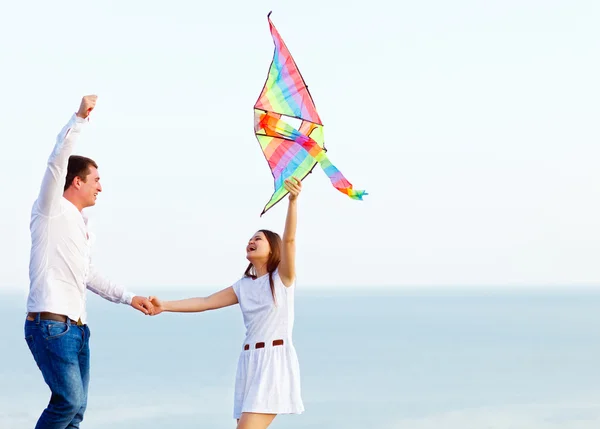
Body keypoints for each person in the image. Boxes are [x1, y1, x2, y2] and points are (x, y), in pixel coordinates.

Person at [24, 95, 154, 429]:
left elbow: (89, 274)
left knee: (76, 412)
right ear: (76, 181)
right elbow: (57, 160)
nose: (101, 187)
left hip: (77, 329)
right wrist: (79, 118)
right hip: (50, 325)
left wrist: (129, 298)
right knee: (68, 401)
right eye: (96, 179)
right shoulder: (50, 208)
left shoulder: (83, 226)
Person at [149, 177, 305, 429]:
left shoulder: (283, 279)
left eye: (258, 239)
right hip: (249, 362)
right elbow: (206, 302)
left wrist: (293, 201)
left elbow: (289, 241)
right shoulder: (243, 286)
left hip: (273, 362)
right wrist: (164, 305)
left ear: (272, 248)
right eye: (250, 239)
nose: (251, 242)